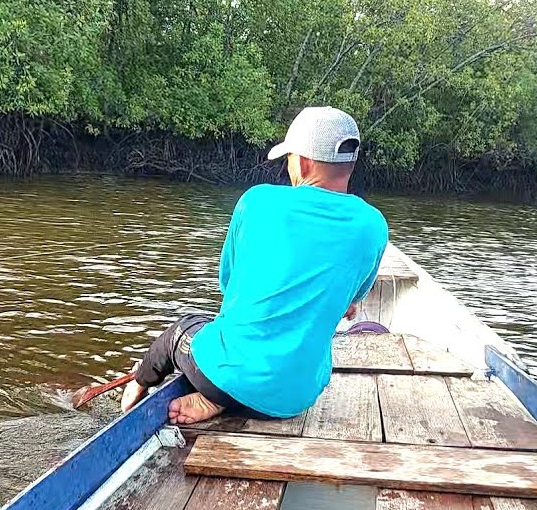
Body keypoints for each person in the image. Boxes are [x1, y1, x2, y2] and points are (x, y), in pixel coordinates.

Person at [121, 106, 390, 425]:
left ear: (302, 162)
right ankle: (223, 398)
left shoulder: (257, 201)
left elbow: (229, 282)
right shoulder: (374, 226)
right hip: (296, 397)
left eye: (289, 159)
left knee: (181, 329)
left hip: (231, 377)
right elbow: (351, 302)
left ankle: (136, 387)